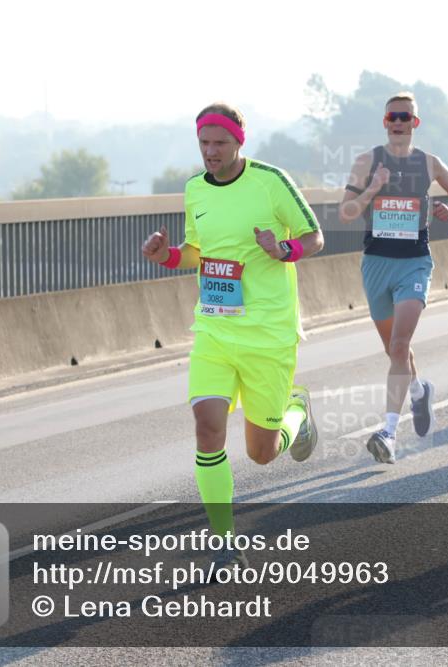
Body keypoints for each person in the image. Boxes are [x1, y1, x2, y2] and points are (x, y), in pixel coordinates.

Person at [142, 102, 325, 564]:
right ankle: (223, 543)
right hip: (215, 329)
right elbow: (198, 252)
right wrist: (166, 255)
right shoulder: (194, 190)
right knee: (207, 428)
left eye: (219, 143)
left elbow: (315, 235)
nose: (210, 152)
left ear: (239, 142)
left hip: (268, 333)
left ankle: (297, 412)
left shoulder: (271, 182)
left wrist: (283, 248)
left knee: (261, 454)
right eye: (204, 143)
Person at [338, 92, 448, 463]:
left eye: (405, 117)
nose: (398, 122)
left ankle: (389, 432)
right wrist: (374, 188)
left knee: (399, 345)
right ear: (385, 122)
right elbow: (345, 213)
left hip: (414, 262)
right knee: (393, 347)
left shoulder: (429, 163)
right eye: (393, 117)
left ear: (415, 123)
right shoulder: (367, 161)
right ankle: (418, 389)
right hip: (377, 263)